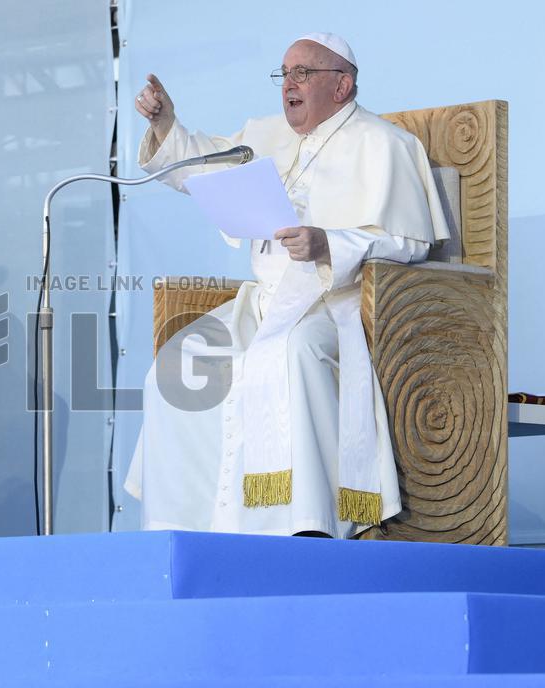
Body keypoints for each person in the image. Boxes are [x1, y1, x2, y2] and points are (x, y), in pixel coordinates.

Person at [125, 33, 450, 539]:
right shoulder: (264, 134)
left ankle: (303, 524)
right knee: (176, 366)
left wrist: (330, 244)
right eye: (284, 74)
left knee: (293, 353)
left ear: (342, 85)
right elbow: (204, 165)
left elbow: (411, 243)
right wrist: (166, 124)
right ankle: (182, 525)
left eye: (303, 73)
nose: (289, 85)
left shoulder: (385, 144)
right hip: (262, 304)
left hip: (336, 304)